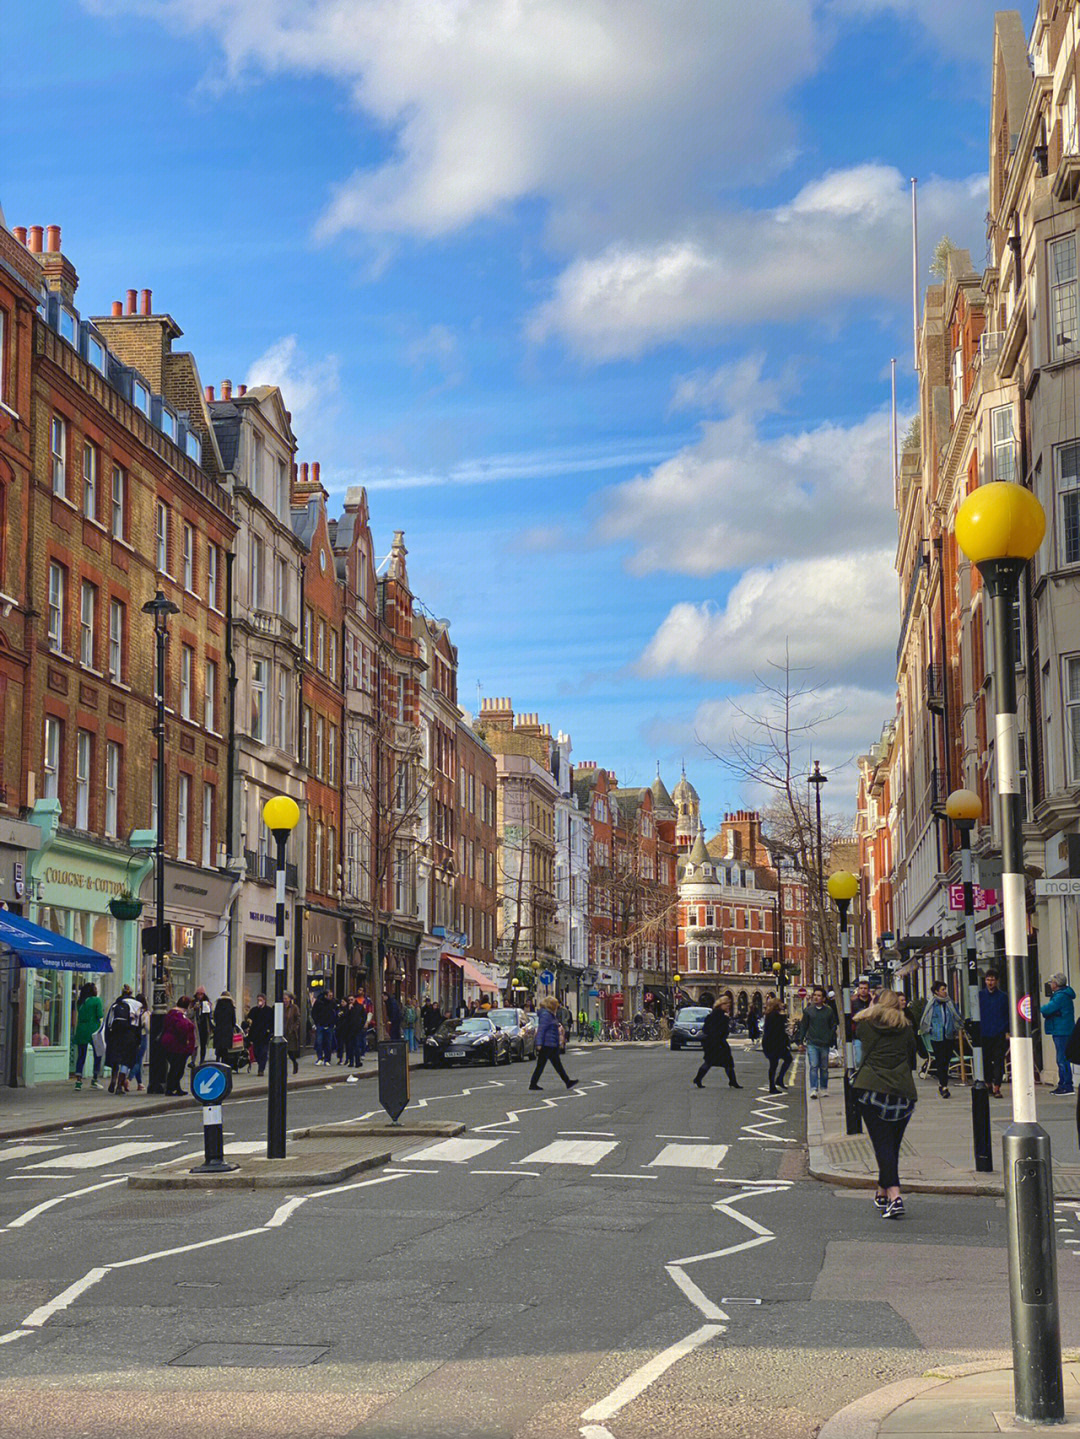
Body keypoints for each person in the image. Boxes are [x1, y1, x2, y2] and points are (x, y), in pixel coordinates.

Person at [852, 988, 918, 1220]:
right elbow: (912, 1059)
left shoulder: (866, 1026)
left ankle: (894, 1196)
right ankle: (881, 1192)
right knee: (891, 1146)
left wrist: (871, 1004)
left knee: (883, 1145)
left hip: (872, 1090)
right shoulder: (907, 1029)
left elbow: (857, 1023)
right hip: (902, 1092)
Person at [918, 981, 963, 1097]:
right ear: (936, 991)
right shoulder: (931, 1005)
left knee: (946, 1062)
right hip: (936, 1038)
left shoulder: (950, 1003)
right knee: (940, 1061)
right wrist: (930, 1029)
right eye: (943, 989)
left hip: (948, 1037)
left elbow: (956, 1016)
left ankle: (943, 1084)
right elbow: (925, 1019)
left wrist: (957, 1027)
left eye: (945, 989)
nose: (945, 991)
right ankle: (943, 1086)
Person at [795, 987, 838, 1098]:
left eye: (819, 995)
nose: (816, 997)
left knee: (824, 1068)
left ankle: (823, 1088)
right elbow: (804, 1026)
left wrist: (830, 1037)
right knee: (813, 1066)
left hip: (824, 1043)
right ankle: (814, 1089)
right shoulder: (808, 1011)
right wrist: (800, 1041)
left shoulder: (828, 1011)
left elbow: (833, 1025)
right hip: (812, 1043)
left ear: (823, 998)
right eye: (815, 995)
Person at [529, 996, 577, 1091]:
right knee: (550, 1065)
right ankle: (567, 1081)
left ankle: (534, 1083)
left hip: (550, 1043)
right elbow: (541, 1029)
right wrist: (539, 1043)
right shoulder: (546, 1015)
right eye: (555, 1005)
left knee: (547, 1065)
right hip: (547, 1044)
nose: (557, 1007)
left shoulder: (549, 1014)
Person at [694, 995, 741, 1089]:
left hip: (712, 1042)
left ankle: (698, 1079)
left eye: (729, 1005)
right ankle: (733, 1081)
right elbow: (723, 1030)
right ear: (721, 1004)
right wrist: (726, 1019)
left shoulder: (713, 1014)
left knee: (710, 1061)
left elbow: (707, 1028)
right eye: (726, 1004)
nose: (728, 1006)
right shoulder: (720, 1015)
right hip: (717, 1042)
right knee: (726, 1061)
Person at [1041, 973, 1077, 1095]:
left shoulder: (1060, 996)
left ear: (1056, 984)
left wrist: (1045, 1011)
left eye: (1051, 982)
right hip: (1063, 1030)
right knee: (1062, 1058)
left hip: (1061, 1031)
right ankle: (1064, 1084)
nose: (1050, 984)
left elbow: (1046, 1009)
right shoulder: (1063, 995)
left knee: (1062, 1058)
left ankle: (1066, 1085)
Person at [104, 985, 142, 1094]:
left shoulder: (115, 1005)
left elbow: (109, 1022)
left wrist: (108, 1038)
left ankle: (113, 1080)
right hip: (130, 1035)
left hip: (115, 1035)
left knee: (115, 1059)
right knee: (125, 1061)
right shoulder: (136, 1006)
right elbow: (138, 1024)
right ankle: (120, 1086)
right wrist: (138, 1040)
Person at [979, 970, 1009, 1097]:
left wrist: (1007, 1031)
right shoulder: (980, 995)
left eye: (992, 980)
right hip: (984, 1033)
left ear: (996, 981)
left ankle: (997, 1086)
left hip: (999, 1033)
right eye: (988, 979)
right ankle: (988, 1084)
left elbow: (1007, 1014)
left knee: (998, 1060)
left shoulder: (1003, 996)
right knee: (985, 1060)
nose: (990, 982)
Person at [161, 996, 197, 1095]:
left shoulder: (171, 1013)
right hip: (177, 1046)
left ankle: (176, 1087)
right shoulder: (179, 1015)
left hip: (170, 1044)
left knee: (175, 1067)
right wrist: (186, 1040)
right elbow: (182, 1028)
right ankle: (171, 1088)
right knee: (177, 1068)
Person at [73, 982, 104, 1091]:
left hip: (81, 1029)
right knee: (98, 1054)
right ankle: (95, 1079)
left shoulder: (80, 1002)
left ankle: (78, 1081)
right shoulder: (97, 1000)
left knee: (81, 1056)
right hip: (94, 1029)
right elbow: (100, 1015)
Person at [761, 995, 792, 1093]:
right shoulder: (775, 1016)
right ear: (776, 1005)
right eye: (781, 1003)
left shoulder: (770, 1015)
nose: (783, 1004)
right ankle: (773, 1085)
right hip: (774, 1043)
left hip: (772, 1043)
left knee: (778, 1062)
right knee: (777, 1063)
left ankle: (778, 1081)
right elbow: (779, 1031)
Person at [246, 995, 274, 1076]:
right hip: (255, 1035)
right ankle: (259, 1063)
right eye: (258, 1000)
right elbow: (249, 1020)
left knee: (263, 1052)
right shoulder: (254, 1010)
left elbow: (272, 1022)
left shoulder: (269, 1010)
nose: (259, 1001)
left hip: (265, 1035)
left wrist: (270, 1031)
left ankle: (261, 1069)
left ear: (264, 1000)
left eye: (261, 1000)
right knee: (256, 1052)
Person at [310, 988, 337, 1066]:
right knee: (319, 1042)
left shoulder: (333, 1003)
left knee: (328, 1043)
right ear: (325, 996)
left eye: (332, 995)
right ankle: (320, 1058)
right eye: (329, 995)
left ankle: (327, 1059)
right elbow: (314, 1013)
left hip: (330, 1025)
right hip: (321, 1025)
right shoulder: (319, 1002)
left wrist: (334, 1022)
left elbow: (336, 1012)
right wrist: (317, 1022)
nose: (331, 997)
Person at [129, 993, 150, 1090]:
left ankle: (140, 1083)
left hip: (133, 1036)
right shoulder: (145, 1013)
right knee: (138, 1060)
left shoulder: (133, 1011)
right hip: (142, 1036)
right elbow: (148, 1027)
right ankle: (128, 1079)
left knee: (136, 1059)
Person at [850, 979, 873, 1066]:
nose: (863, 990)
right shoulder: (853, 1003)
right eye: (861, 988)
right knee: (859, 1060)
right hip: (858, 1035)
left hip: (871, 1034)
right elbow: (851, 1018)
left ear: (868, 990)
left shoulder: (872, 1002)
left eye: (865, 988)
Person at [212, 991, 237, 1064]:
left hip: (219, 1028)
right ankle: (224, 1062)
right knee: (226, 1047)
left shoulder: (218, 1005)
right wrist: (233, 1025)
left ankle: (217, 1058)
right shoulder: (231, 1006)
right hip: (228, 1029)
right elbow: (233, 1019)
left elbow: (215, 1017)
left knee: (219, 1045)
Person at [345, 996, 367, 1070]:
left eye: (352, 1000)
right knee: (350, 1046)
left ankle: (357, 1061)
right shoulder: (347, 1008)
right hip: (349, 1030)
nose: (350, 1001)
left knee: (357, 1045)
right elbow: (345, 1017)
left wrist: (361, 1025)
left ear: (355, 1000)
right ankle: (351, 1062)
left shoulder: (360, 1007)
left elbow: (364, 1016)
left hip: (357, 1029)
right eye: (349, 1000)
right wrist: (349, 1010)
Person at [191, 987, 212, 1064]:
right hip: (195, 1025)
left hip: (204, 1025)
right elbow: (189, 1014)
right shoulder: (193, 1002)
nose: (200, 996)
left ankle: (202, 1060)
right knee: (195, 1044)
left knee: (203, 1044)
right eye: (198, 994)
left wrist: (208, 1007)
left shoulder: (207, 1002)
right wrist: (194, 1008)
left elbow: (210, 1015)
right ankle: (193, 1061)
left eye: (201, 994)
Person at [283, 992, 302, 1075]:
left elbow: (298, 1018)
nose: (285, 1000)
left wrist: (294, 1028)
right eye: (283, 999)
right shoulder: (281, 1007)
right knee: (282, 1052)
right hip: (282, 1032)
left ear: (290, 999)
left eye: (286, 998)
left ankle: (294, 1063)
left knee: (290, 1052)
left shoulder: (294, 1008)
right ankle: (283, 1069)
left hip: (291, 1032)